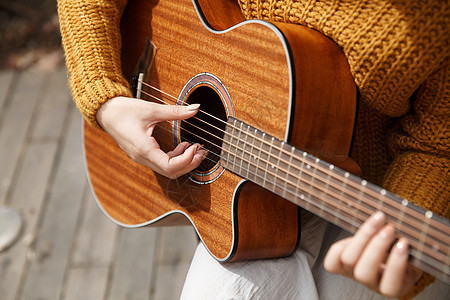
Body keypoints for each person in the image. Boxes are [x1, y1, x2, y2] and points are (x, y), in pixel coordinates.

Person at [57, 0, 449, 299]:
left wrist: (408, 245)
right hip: (243, 178)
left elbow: (437, 146)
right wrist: (105, 97)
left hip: (366, 191)